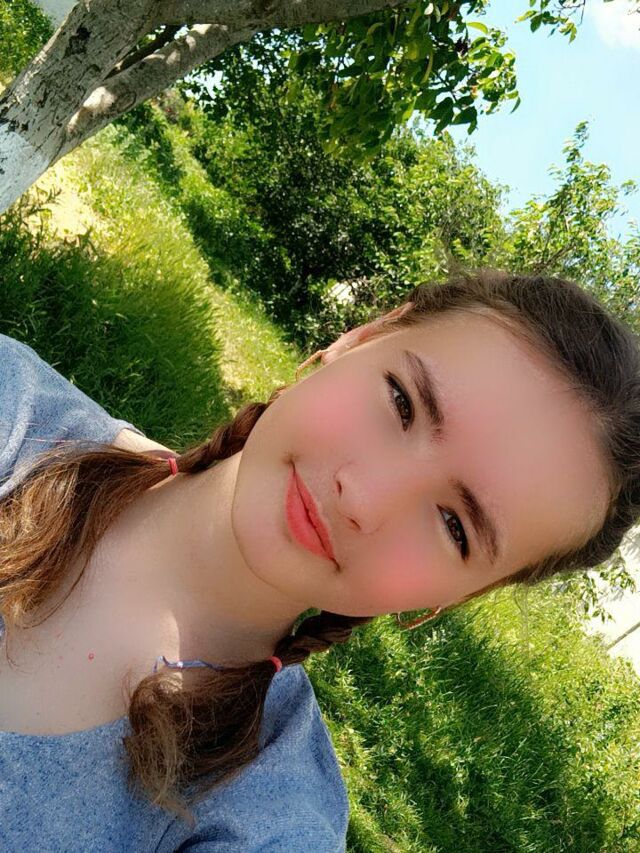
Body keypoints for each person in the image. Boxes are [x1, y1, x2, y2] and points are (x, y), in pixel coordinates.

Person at [1, 268, 639, 851]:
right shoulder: (15, 407)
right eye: (401, 404)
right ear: (360, 336)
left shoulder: (271, 820)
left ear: (460, 595)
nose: (364, 497)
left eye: (455, 526)